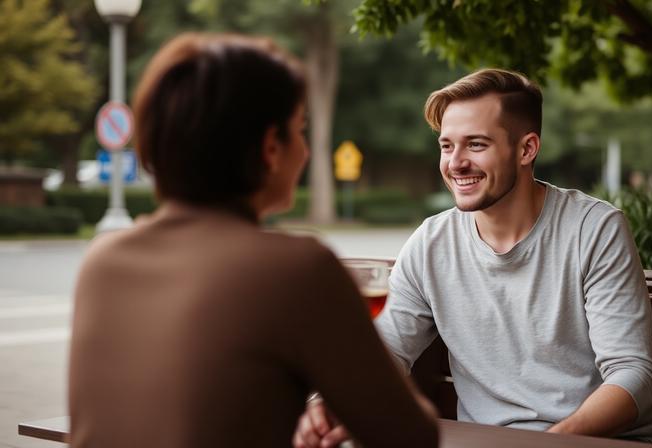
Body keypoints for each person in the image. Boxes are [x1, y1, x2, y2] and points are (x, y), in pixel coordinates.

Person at [68, 33, 438, 448]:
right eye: (300, 129)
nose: (306, 151)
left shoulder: (103, 260)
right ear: (270, 147)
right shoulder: (299, 269)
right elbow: (411, 436)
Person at [294, 68, 652, 445]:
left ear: (526, 149)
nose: (455, 163)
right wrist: (329, 401)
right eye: (446, 145)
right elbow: (384, 351)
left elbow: (633, 375)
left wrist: (546, 442)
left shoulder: (594, 228)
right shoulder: (431, 242)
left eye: (476, 144)